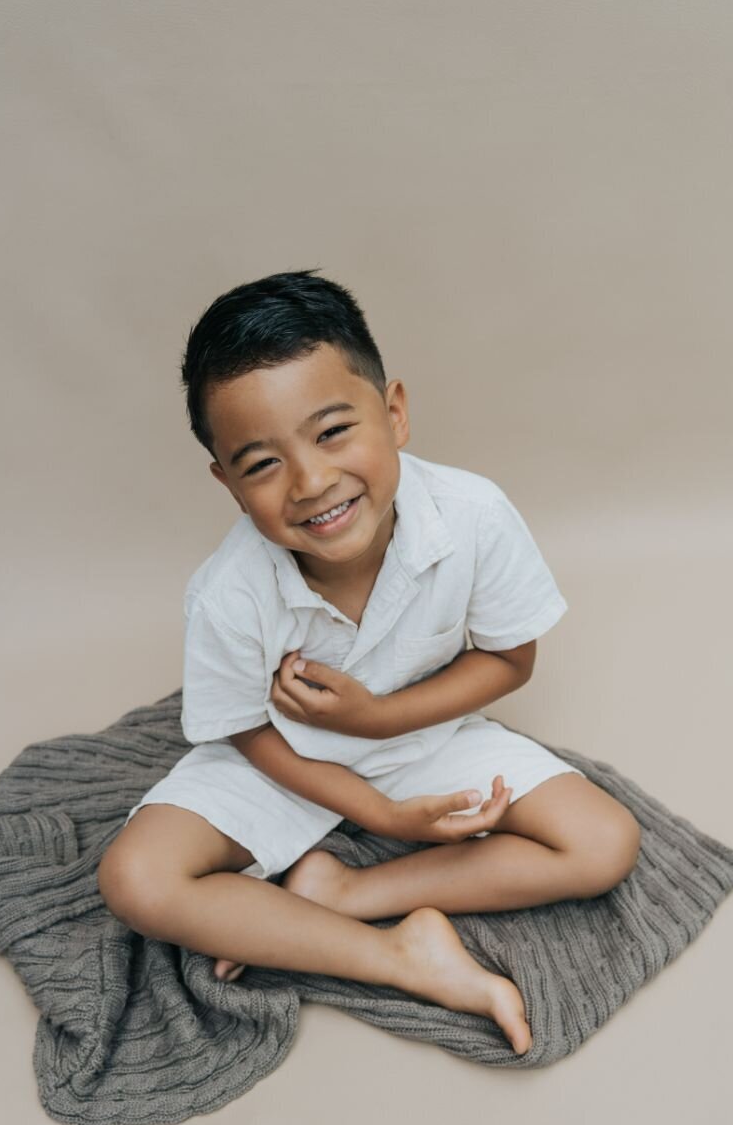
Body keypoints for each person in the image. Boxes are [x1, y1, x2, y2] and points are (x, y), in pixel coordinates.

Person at [97, 269, 641, 1055]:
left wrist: (378, 718)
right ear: (227, 484)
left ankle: (348, 891)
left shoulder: (473, 514)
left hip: (426, 734)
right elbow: (248, 731)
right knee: (134, 878)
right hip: (284, 760)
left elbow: (508, 660)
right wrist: (377, 813)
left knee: (602, 843)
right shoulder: (227, 591)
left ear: (394, 413)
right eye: (261, 464)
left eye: (331, 433)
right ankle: (397, 956)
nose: (311, 481)